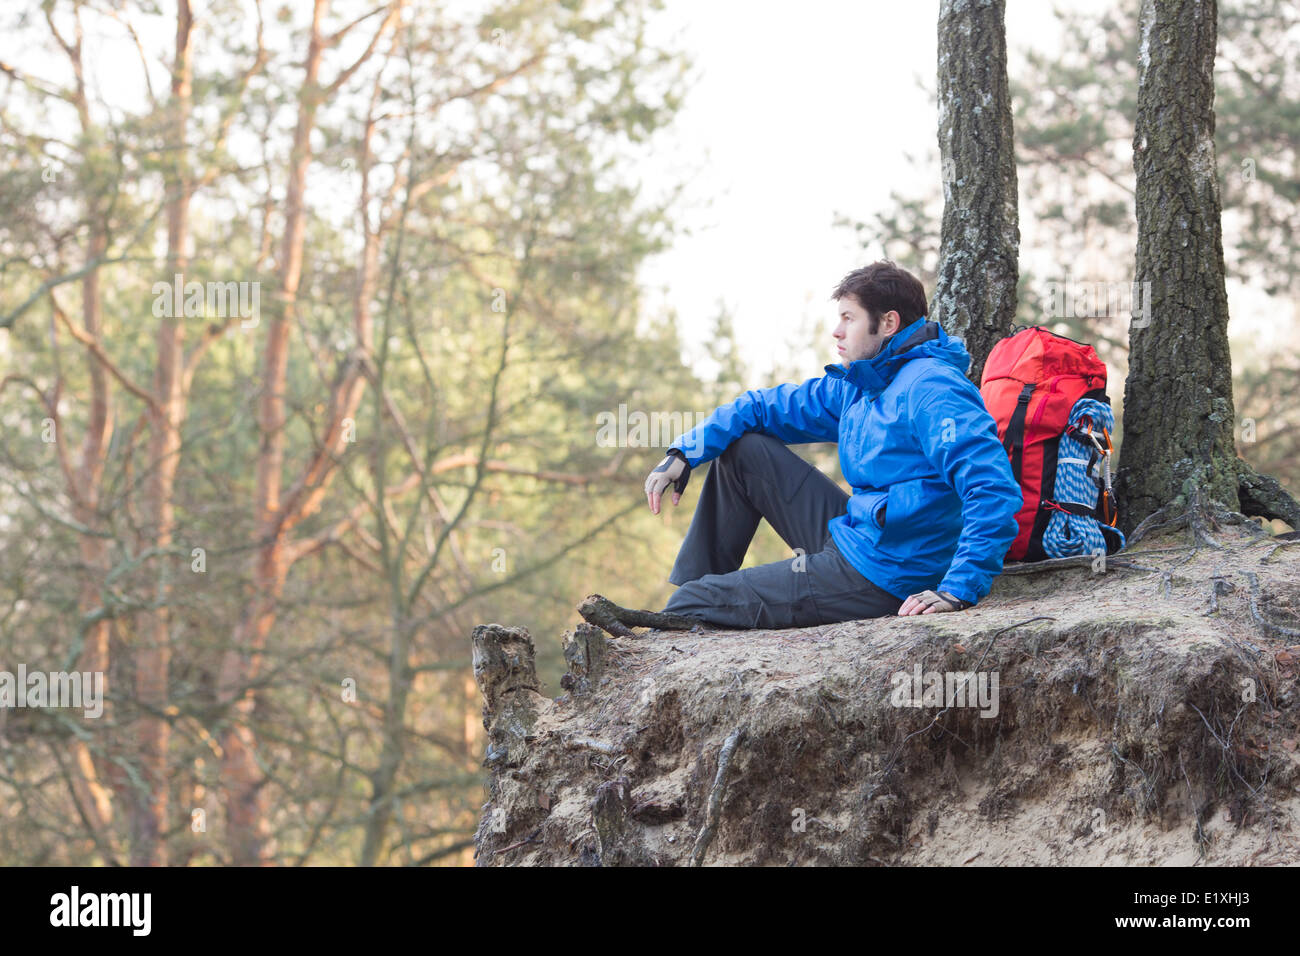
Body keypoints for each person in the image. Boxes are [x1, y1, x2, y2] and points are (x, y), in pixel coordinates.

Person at [643, 260, 1022, 630]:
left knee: (694, 603)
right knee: (745, 452)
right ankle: (691, 595)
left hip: (889, 573)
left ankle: (689, 607)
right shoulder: (862, 384)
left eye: (849, 318)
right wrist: (684, 453)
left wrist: (958, 589)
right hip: (857, 533)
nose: (836, 332)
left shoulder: (932, 389)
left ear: (888, 323)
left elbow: (992, 489)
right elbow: (762, 407)